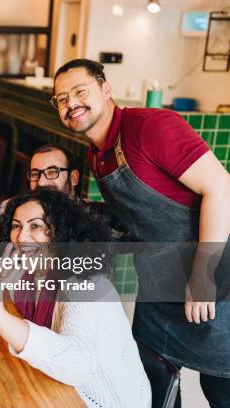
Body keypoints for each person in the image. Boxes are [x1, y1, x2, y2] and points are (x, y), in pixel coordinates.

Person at [52, 58, 230, 406]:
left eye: (79, 91)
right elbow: (133, 219)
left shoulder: (151, 126)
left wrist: (202, 276)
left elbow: (221, 188)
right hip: (159, 287)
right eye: (61, 99)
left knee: (221, 388)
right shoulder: (96, 154)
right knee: (149, 387)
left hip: (214, 277)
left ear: (106, 90)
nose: (71, 103)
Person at [0, 188, 151, 407]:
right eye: (16, 226)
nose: (21, 237)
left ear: (61, 232)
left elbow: (78, 365)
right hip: (52, 387)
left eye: (35, 226)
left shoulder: (87, 283)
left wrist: (0, 318)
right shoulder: (29, 270)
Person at [0, 144, 125, 248]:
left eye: (52, 172)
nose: (41, 181)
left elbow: (143, 231)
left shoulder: (95, 217)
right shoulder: (13, 208)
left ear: (74, 177)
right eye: (35, 174)